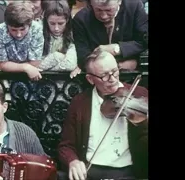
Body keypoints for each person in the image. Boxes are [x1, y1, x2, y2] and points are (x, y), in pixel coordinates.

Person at [58, 50, 148, 180]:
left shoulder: (139, 94)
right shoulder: (80, 103)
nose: (113, 79)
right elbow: (66, 145)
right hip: (90, 172)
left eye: (115, 71)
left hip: (127, 173)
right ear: (90, 79)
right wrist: (73, 161)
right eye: (104, 75)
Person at [72, 0, 148, 71]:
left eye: (109, 10)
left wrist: (117, 49)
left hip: (133, 72)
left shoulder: (134, 7)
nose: (103, 16)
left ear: (120, 1)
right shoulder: (81, 19)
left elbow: (144, 41)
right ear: (91, 4)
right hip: (98, 74)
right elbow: (82, 57)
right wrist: (116, 66)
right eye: (98, 10)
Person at [0, 1, 44, 81]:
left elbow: (35, 63)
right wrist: (26, 67)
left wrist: (12, 66)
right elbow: (2, 64)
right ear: (7, 25)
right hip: (6, 77)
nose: (18, 34)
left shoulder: (36, 29)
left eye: (22, 29)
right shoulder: (0, 30)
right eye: (13, 30)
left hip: (31, 77)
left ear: (30, 24)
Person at [38, 0, 78, 78]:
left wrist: (45, 68)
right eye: (52, 23)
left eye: (60, 23)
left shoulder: (72, 34)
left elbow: (70, 64)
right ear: (46, 21)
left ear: (67, 21)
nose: (56, 28)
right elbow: (34, 64)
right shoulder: (39, 32)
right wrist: (57, 57)